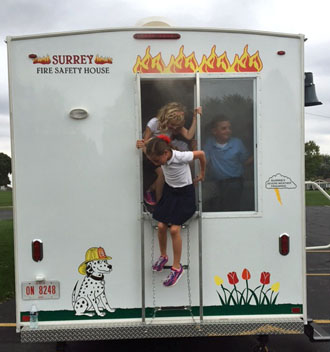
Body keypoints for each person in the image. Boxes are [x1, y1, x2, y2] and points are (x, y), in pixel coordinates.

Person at [145, 135, 206, 287]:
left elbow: (201, 154)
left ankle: (176, 267)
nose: (155, 164)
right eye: (153, 161)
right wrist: (141, 143)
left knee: (174, 230)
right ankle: (163, 256)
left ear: (166, 153)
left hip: (184, 195)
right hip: (170, 192)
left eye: (157, 161)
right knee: (160, 226)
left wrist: (203, 172)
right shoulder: (160, 152)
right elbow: (152, 142)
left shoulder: (180, 156)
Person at [136, 102, 202, 205]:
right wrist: (150, 156)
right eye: (172, 125)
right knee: (162, 172)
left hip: (163, 155)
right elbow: (145, 144)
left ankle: (162, 193)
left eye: (177, 127)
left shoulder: (175, 125)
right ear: (166, 118)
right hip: (149, 154)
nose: (174, 128)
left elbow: (189, 136)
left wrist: (195, 118)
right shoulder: (154, 123)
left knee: (181, 163)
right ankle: (159, 202)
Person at [203, 115, 253, 212]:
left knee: (231, 209)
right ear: (214, 131)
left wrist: (258, 152)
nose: (228, 131)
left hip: (234, 182)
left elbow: (245, 161)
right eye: (223, 128)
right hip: (216, 182)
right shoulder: (210, 143)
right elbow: (205, 161)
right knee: (216, 208)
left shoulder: (237, 143)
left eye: (229, 128)